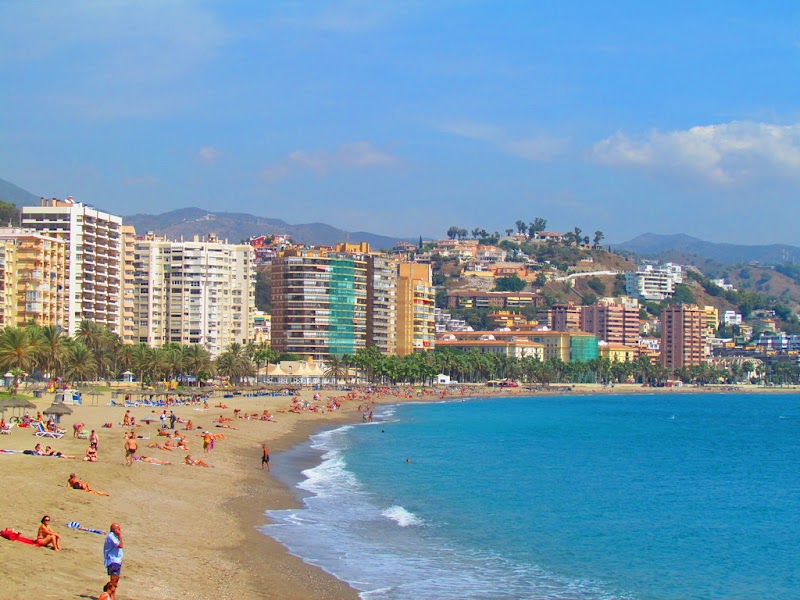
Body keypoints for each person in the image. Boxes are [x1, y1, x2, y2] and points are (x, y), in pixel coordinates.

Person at [104, 522, 123, 588]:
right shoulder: (111, 536)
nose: (119, 530)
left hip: (117, 560)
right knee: (113, 580)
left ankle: (111, 595)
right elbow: (120, 545)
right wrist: (120, 535)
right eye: (118, 529)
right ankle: (109, 594)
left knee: (116, 580)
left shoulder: (115, 536)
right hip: (113, 560)